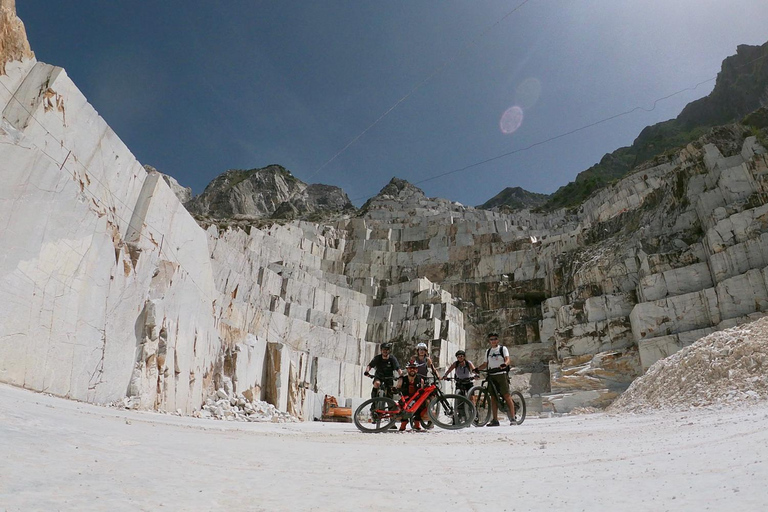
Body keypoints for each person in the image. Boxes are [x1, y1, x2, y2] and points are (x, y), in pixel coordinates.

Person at [473, 332, 516, 426]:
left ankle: (513, 418)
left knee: (506, 395)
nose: (493, 341)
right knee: (493, 398)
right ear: (489, 341)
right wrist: (477, 369)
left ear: (498, 340)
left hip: (501, 374)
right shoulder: (488, 351)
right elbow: (485, 364)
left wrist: (505, 364)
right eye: (491, 339)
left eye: (495, 339)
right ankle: (495, 420)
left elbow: (507, 359)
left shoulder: (502, 349)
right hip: (491, 375)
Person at [395, 361, 426, 431]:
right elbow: (397, 387)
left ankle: (417, 422)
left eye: (414, 368)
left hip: (416, 399)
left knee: (421, 405)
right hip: (405, 399)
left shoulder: (420, 380)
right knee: (403, 407)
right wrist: (395, 390)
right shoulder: (402, 379)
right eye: (410, 368)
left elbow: (422, 390)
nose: (412, 370)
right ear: (407, 369)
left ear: (417, 370)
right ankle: (404, 423)